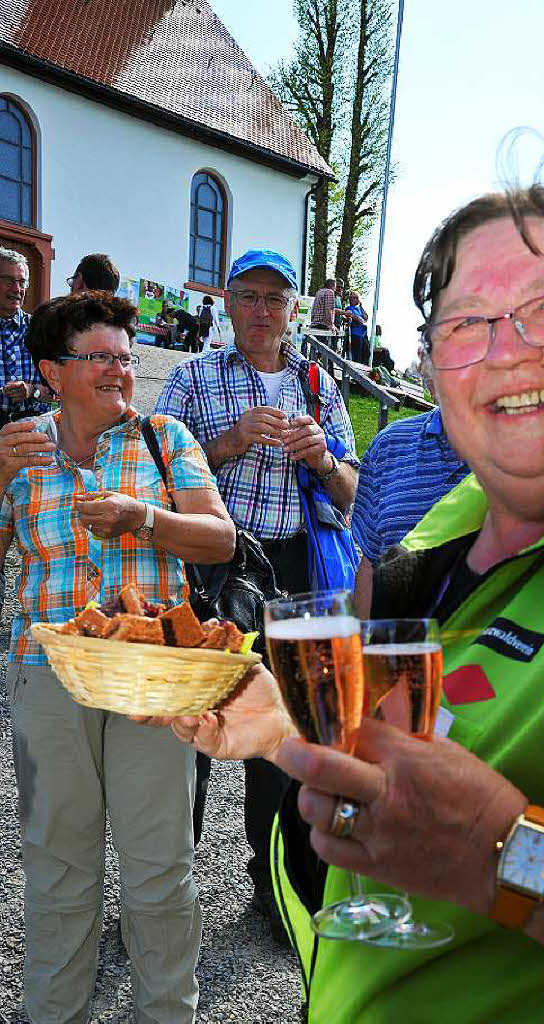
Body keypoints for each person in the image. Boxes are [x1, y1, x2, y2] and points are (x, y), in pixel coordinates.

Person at [168, 183, 544, 1024]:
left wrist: (506, 856)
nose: (505, 350)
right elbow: (412, 750)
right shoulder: (445, 527)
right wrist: (281, 727)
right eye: (464, 323)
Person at [0, 290, 235, 1022]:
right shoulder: (17, 448)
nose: (119, 371)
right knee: (57, 871)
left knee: (161, 873)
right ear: (51, 370)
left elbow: (220, 538)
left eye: (126, 358)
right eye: (99, 357)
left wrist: (145, 518)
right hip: (46, 678)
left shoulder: (166, 436)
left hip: (152, 681)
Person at [155, 248, 359, 939]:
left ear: (294, 309)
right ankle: (164, 896)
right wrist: (227, 442)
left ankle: (273, 888)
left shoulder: (316, 385)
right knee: (188, 736)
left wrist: (323, 459)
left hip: (294, 577)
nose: (262, 311)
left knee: (281, 740)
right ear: (228, 303)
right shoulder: (192, 376)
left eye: (275, 299)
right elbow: (151, 479)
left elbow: (355, 494)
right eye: (248, 297)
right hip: (211, 572)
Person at [352, 405, 469, 616]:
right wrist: (365, 643)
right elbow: (371, 562)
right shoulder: (388, 445)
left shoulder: (524, 451)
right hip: (398, 643)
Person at [0, 247, 53, 430]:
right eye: (8, 280)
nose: (17, 289)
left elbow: (61, 392)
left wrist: (32, 390)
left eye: (22, 282)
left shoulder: (40, 329)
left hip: (34, 428)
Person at [344, 290, 369, 363]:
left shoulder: (359, 309)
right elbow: (355, 317)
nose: (357, 299)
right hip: (355, 334)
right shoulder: (349, 308)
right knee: (357, 355)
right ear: (351, 299)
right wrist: (359, 319)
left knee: (366, 353)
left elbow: (366, 317)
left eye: (358, 298)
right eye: (355, 298)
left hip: (363, 334)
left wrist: (361, 307)